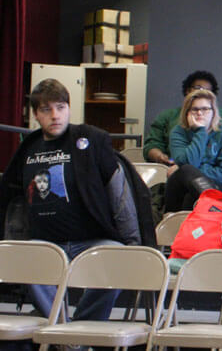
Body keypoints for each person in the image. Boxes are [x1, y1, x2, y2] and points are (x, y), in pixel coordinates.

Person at [0, 78, 150, 328]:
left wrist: (132, 242)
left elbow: (119, 193)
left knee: (120, 258)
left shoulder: (91, 139)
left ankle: (81, 329)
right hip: (44, 242)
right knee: (24, 256)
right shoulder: (27, 148)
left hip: (90, 239)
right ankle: (63, 333)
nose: (55, 115)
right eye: (46, 109)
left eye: (61, 107)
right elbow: (12, 199)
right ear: (36, 115)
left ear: (69, 108)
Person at [164, 89, 222, 212]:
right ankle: (217, 208)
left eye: (205, 109)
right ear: (187, 113)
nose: (199, 113)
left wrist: (185, 169)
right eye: (194, 109)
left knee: (191, 195)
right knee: (186, 170)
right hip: (179, 189)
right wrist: (201, 132)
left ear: (213, 112)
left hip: (217, 187)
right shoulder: (178, 132)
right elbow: (189, 163)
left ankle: (211, 205)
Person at [143, 70, 222, 164]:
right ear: (187, 90)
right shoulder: (169, 118)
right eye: (197, 88)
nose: (201, 92)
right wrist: (160, 157)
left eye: (207, 90)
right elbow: (152, 144)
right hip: (170, 167)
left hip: (210, 171)